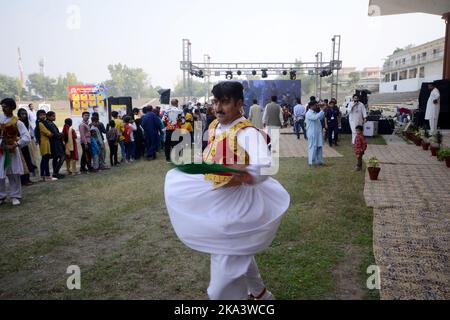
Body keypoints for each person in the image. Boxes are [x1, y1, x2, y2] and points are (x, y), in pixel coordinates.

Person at [165, 81, 290, 300]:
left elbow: (265, 164)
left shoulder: (246, 132)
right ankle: (261, 294)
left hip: (238, 204)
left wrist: (244, 174)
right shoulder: (214, 126)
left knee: (226, 255)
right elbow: (212, 155)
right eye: (215, 102)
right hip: (218, 197)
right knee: (233, 248)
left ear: (239, 104)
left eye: (225, 102)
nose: (218, 107)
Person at [0, 98, 31, 206]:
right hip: (0, 151)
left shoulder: (17, 122)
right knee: (0, 174)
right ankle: (1, 196)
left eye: (6, 107)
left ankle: (15, 196)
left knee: (13, 173)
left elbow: (27, 137)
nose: (3, 109)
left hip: (11, 151)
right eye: (2, 107)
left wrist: (16, 144)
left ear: (12, 107)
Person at [17, 108, 37, 185]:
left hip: (26, 144)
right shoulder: (18, 123)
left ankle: (27, 179)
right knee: (22, 162)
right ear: (19, 115)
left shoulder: (26, 122)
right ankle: (23, 180)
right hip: (20, 145)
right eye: (22, 114)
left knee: (28, 161)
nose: (24, 115)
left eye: (25, 114)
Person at [35, 110, 57, 182]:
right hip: (44, 143)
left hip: (45, 143)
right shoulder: (41, 124)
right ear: (38, 116)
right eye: (41, 115)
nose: (43, 116)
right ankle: (47, 176)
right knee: (45, 160)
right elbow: (48, 133)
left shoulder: (42, 123)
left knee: (44, 160)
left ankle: (43, 176)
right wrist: (52, 133)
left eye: (44, 114)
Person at [46, 111, 66, 179]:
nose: (55, 117)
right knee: (62, 156)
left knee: (55, 157)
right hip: (55, 143)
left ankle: (55, 172)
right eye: (53, 116)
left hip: (54, 142)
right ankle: (55, 172)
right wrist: (62, 134)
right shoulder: (49, 124)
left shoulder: (50, 123)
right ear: (48, 116)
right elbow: (56, 134)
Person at [305, 101, 325, 166]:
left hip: (318, 132)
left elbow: (320, 118)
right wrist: (321, 110)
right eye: (315, 105)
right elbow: (315, 118)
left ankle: (319, 161)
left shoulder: (316, 112)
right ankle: (311, 162)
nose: (317, 106)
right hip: (312, 133)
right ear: (311, 106)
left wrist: (322, 110)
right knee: (312, 147)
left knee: (319, 146)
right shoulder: (308, 113)